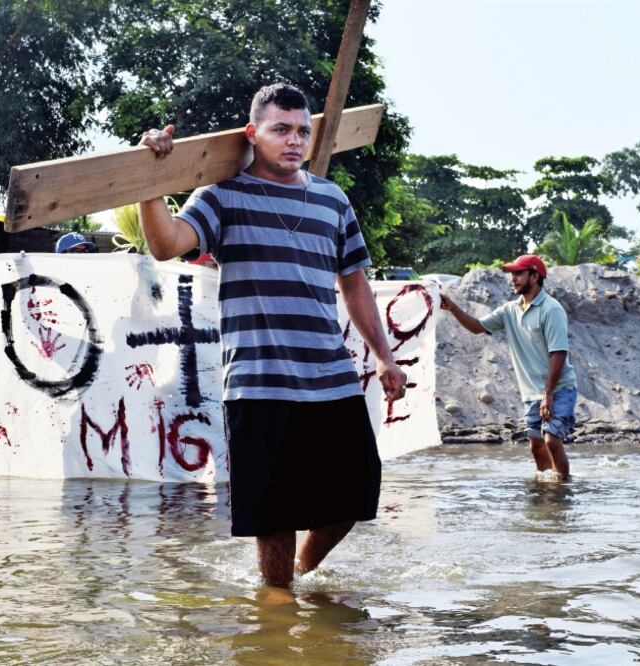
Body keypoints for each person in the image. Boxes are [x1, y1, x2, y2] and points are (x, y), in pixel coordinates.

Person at [136, 83, 407, 587]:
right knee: (274, 514)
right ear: (252, 134)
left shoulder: (332, 200)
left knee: (358, 493)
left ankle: (302, 572)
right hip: (259, 381)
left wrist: (385, 358)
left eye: (303, 131)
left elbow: (355, 284)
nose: (294, 140)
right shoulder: (222, 198)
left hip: (331, 376)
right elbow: (166, 244)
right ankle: (277, 609)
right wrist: (154, 180)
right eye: (281, 129)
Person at [439, 254, 577, 479]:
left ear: (535, 276)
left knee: (551, 439)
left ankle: (563, 487)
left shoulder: (551, 309)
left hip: (558, 389)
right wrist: (452, 308)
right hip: (531, 392)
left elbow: (559, 353)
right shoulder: (509, 310)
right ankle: (545, 490)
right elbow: (476, 327)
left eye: (519, 273)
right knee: (536, 446)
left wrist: (547, 394)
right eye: (512, 274)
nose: (513, 279)